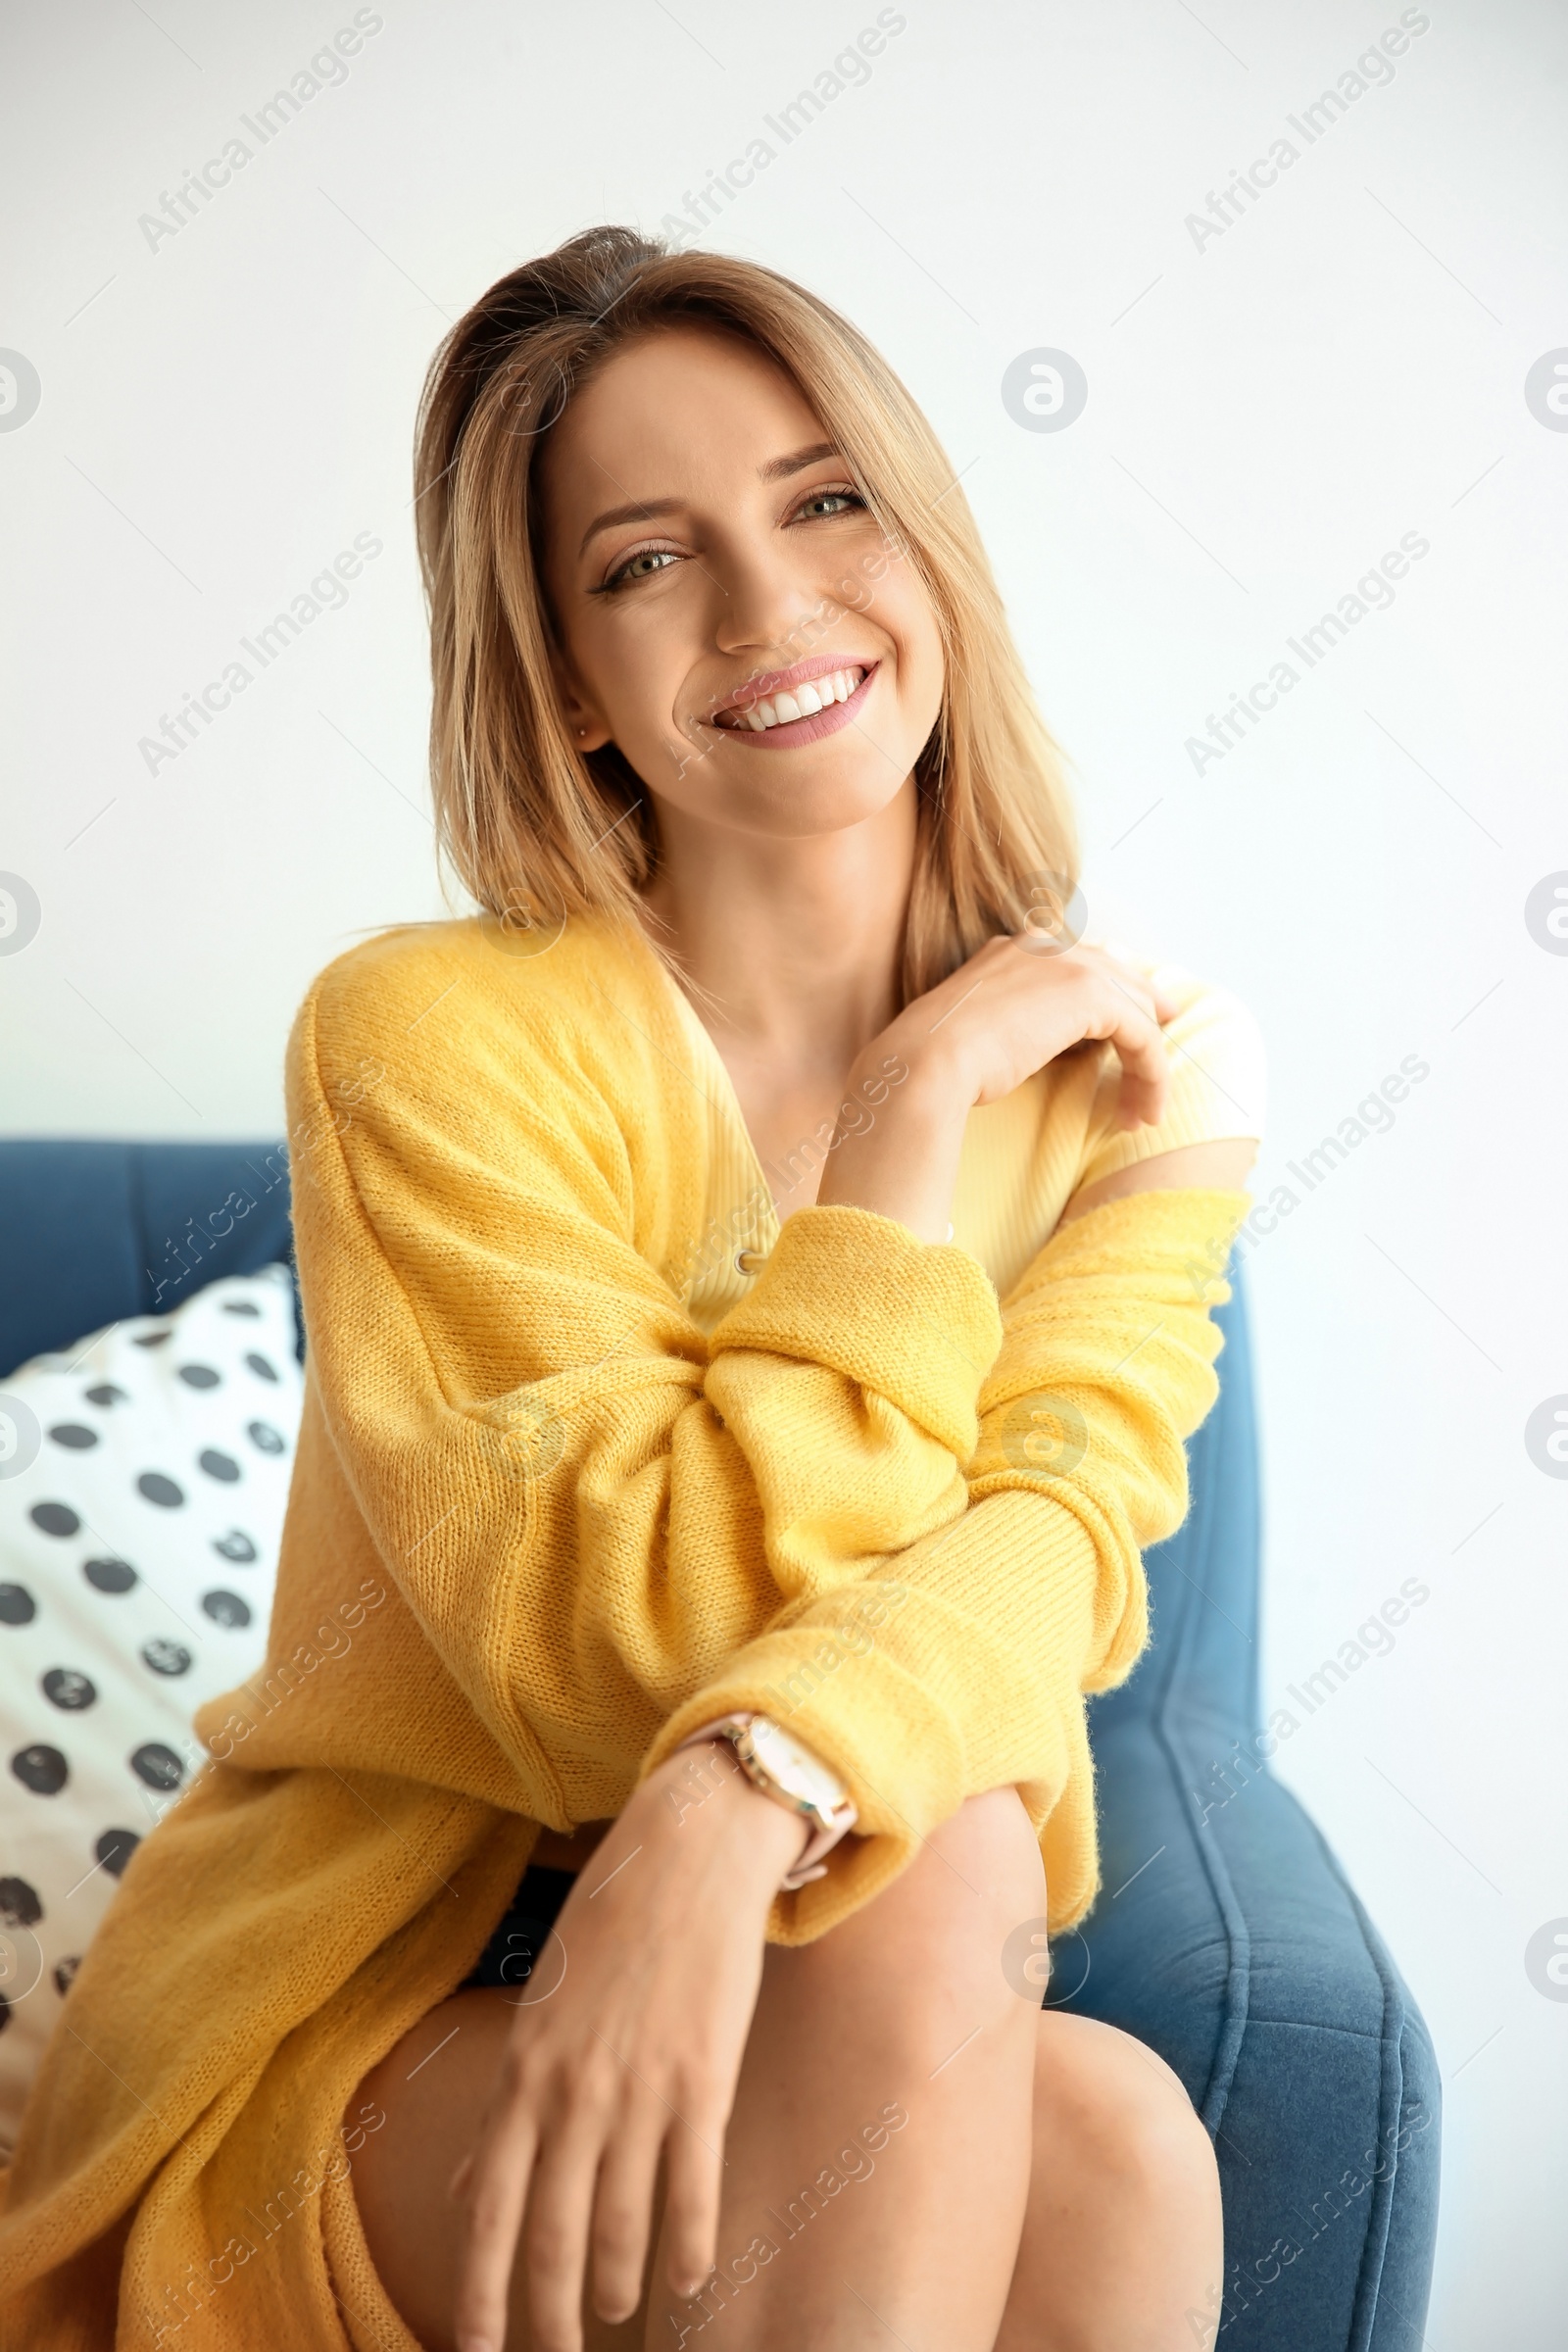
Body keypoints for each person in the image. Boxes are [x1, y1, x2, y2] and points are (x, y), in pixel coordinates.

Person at [0, 228, 1262, 2352]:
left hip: (825, 1943)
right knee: (938, 1846)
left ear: (924, 541)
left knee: (1119, 2134)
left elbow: (1063, 1538)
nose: (770, 608)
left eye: (822, 500)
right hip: (389, 2003)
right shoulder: (421, 1035)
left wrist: (735, 1800)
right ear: (570, 680)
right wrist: (905, 1116)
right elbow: (611, 1642)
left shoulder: (1147, 1061)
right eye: (646, 561)